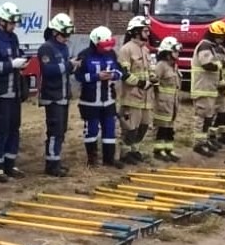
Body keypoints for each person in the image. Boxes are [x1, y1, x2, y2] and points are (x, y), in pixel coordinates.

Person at [0, 2, 30, 182]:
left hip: (14, 92)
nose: (14, 25)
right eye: (11, 22)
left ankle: (10, 164)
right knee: (0, 131)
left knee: (14, 129)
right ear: (1, 21)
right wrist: (11, 65)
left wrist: (21, 64)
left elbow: (15, 58)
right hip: (0, 93)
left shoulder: (13, 38)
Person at [76, 26, 124, 168]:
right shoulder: (84, 55)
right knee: (91, 130)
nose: (106, 49)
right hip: (90, 101)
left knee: (110, 129)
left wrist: (113, 75)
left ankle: (109, 159)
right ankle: (92, 159)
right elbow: (78, 76)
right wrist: (96, 76)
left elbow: (120, 71)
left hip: (108, 100)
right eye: (104, 46)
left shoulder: (112, 54)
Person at [37, 13, 77, 177]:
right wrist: (69, 65)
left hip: (63, 95)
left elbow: (65, 70)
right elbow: (48, 70)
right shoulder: (46, 48)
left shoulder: (64, 48)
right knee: (54, 130)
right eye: (65, 34)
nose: (67, 38)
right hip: (52, 96)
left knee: (61, 130)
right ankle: (52, 165)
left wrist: (74, 66)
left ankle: (56, 160)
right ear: (55, 32)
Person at [190, 21, 225, 156]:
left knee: (208, 117)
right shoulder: (205, 46)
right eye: (222, 36)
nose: (223, 39)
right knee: (202, 117)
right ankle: (198, 144)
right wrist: (223, 63)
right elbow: (208, 65)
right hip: (202, 88)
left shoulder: (210, 47)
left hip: (209, 88)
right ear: (215, 35)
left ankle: (204, 140)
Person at [117, 16, 153, 165]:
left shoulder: (145, 50)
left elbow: (149, 69)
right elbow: (124, 73)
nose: (148, 33)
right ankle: (125, 153)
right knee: (130, 127)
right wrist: (140, 83)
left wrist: (153, 77)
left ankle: (135, 150)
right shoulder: (126, 49)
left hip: (146, 97)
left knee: (144, 125)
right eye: (145, 30)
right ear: (136, 32)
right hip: (131, 96)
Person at [151, 36, 183, 162]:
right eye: (175, 51)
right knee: (161, 127)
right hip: (162, 103)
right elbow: (153, 80)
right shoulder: (161, 65)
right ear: (168, 53)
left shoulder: (173, 66)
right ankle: (158, 151)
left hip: (172, 103)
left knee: (169, 128)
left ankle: (169, 149)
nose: (178, 53)